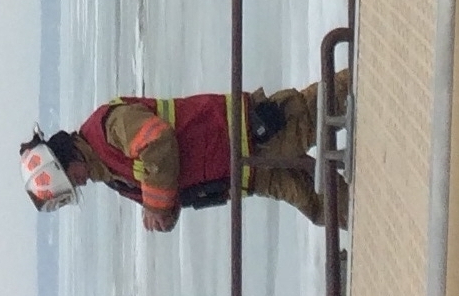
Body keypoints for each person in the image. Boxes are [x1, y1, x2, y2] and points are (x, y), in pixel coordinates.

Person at [21, 77, 344, 229]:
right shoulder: (114, 178)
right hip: (253, 174)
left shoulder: (108, 127)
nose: (81, 183)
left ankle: (381, 58)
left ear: (68, 159)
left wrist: (156, 206)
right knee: (323, 209)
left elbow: (158, 141)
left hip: (256, 131)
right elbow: (170, 194)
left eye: (72, 179)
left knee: (338, 97)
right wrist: (164, 216)